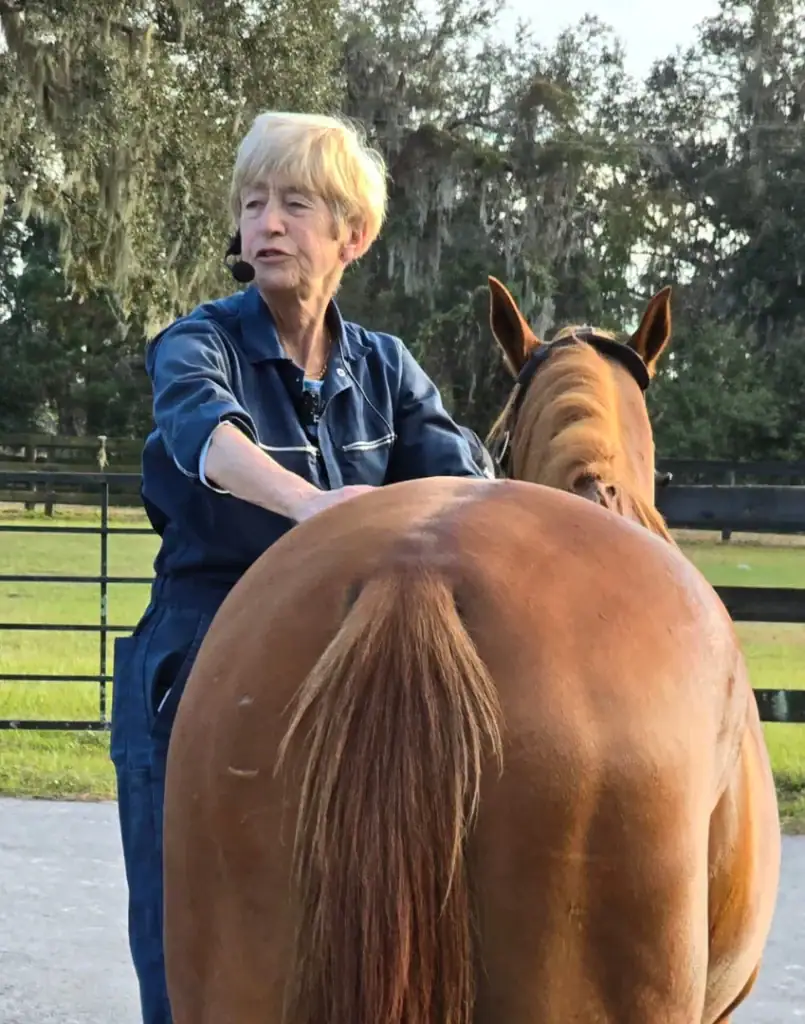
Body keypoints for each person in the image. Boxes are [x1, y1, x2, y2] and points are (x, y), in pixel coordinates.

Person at [109, 110, 489, 1024]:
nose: (267, 224)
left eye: (293, 204)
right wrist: (311, 508)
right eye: (252, 205)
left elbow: (462, 480)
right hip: (201, 643)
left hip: (348, 656)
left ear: (352, 235)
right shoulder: (197, 343)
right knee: (188, 951)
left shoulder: (386, 368)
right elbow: (206, 435)